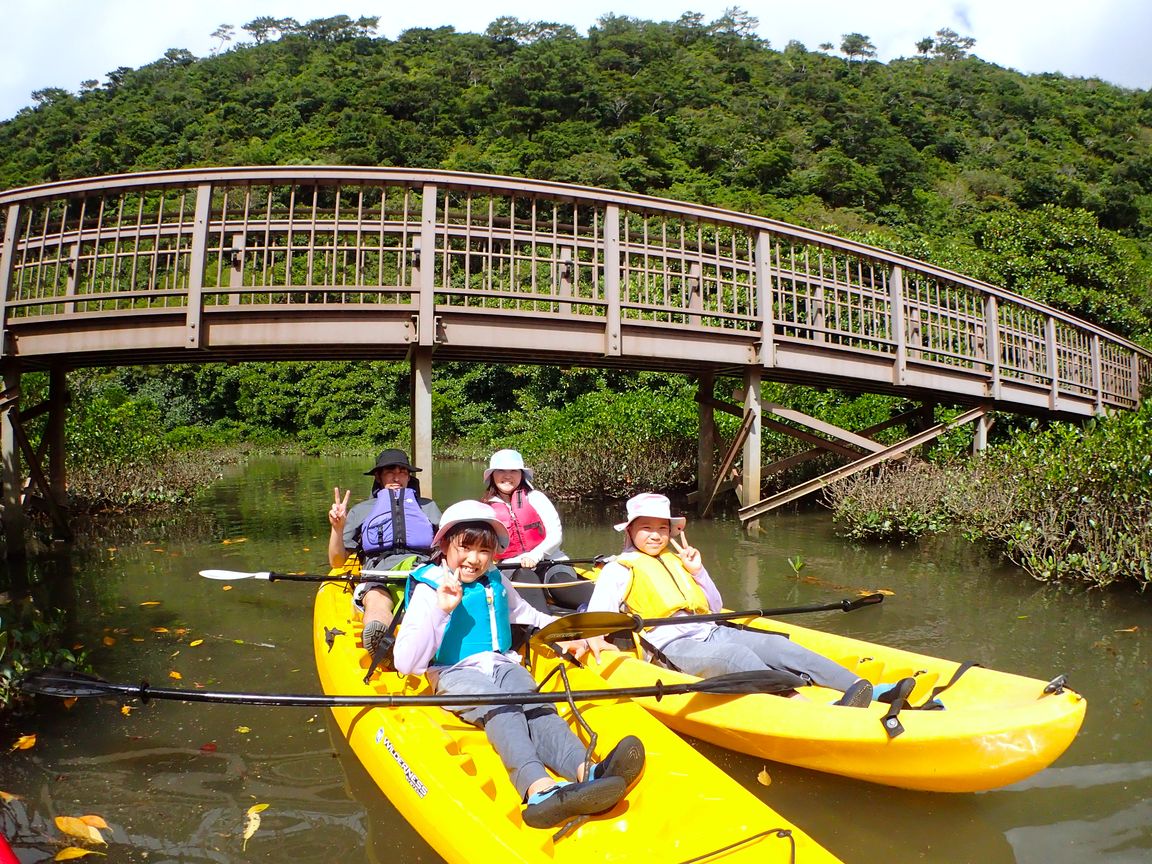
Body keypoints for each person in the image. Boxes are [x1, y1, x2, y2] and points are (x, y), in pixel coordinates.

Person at [393, 500, 645, 829]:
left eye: (484, 550)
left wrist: (565, 635)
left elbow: (528, 615)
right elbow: (405, 662)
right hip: (453, 672)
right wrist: (442, 610)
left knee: (539, 705)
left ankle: (588, 771)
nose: (474, 559)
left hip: (501, 662)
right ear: (444, 545)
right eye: (465, 547)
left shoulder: (494, 579)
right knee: (503, 707)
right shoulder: (430, 588)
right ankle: (537, 791)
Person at [585, 493, 874, 707]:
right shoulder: (618, 569)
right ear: (631, 530)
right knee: (736, 657)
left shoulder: (678, 560)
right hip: (671, 646)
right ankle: (801, 704)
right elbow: (599, 617)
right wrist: (594, 638)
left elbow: (713, 606)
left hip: (712, 631)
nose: (655, 535)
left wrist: (698, 571)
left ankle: (863, 687)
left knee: (778, 645)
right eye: (646, 527)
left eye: (662, 528)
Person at [327, 448, 442, 657]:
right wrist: (337, 528)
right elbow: (337, 562)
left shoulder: (428, 507)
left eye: (403, 472)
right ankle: (383, 643)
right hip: (379, 574)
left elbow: (450, 546)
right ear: (379, 476)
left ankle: (428, 646)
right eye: (390, 471)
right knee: (376, 601)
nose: (397, 477)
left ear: (409, 476)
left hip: (421, 572)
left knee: (426, 601)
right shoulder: (362, 510)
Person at [482, 449, 566, 570]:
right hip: (509, 565)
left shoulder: (536, 498)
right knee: (526, 577)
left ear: (521, 474)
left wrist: (535, 555)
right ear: (492, 475)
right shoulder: (486, 509)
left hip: (551, 559)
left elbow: (556, 535)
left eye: (513, 471)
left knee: (561, 580)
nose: (507, 475)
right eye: (501, 470)